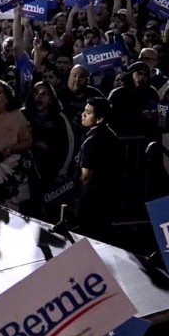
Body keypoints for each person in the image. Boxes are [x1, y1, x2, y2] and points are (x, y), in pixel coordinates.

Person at [76, 98, 120, 241]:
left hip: (92, 200)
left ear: (99, 119)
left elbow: (85, 176)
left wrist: (79, 202)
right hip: (108, 196)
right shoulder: (112, 135)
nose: (83, 114)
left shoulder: (92, 141)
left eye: (88, 113)